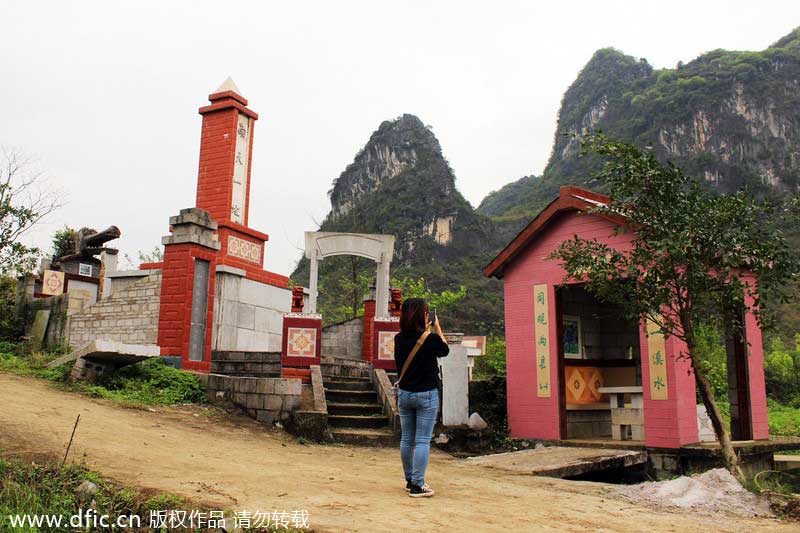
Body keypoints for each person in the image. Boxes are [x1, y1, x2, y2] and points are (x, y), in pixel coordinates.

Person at [393, 298, 449, 498]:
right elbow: (445, 350)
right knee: (423, 440)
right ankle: (418, 484)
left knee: (407, 438)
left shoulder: (398, 339)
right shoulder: (431, 339)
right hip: (426, 395)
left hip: (405, 394)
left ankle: (410, 480)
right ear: (424, 316)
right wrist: (437, 328)